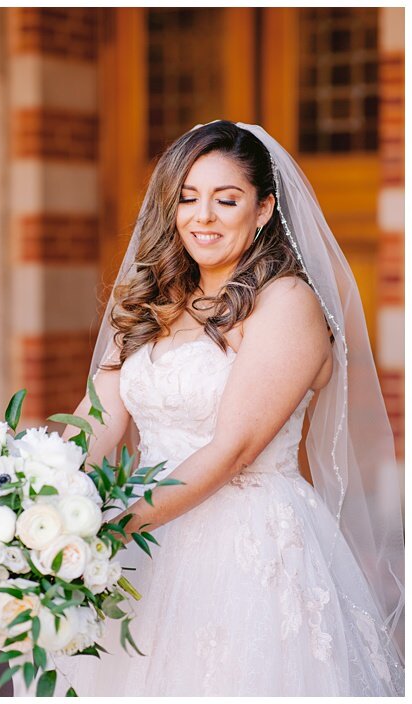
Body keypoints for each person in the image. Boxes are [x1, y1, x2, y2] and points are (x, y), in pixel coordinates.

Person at [47, 121, 404, 696]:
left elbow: (232, 447)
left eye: (225, 199)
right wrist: (40, 498)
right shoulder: (150, 300)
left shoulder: (286, 303)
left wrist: (108, 530)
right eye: (187, 199)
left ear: (262, 210)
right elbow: (100, 418)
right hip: (142, 543)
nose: (202, 217)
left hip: (244, 544)